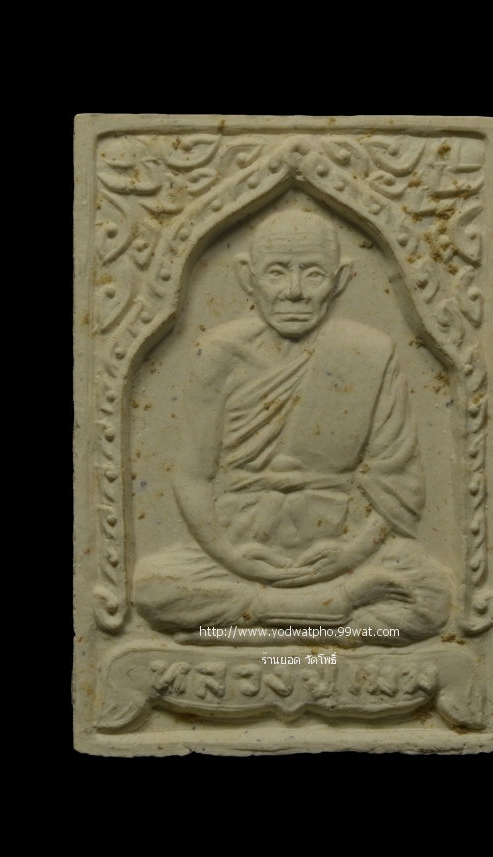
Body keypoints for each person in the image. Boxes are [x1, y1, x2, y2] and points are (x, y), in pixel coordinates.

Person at [134, 210, 451, 644]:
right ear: (248, 278)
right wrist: (233, 559)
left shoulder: (370, 353)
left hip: (340, 551)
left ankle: (250, 629)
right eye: (277, 272)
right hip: (237, 550)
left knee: (432, 598)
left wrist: (348, 557)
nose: (295, 291)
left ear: (340, 280)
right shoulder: (218, 353)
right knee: (152, 588)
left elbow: (397, 482)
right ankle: (324, 618)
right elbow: (193, 475)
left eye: (314, 274)